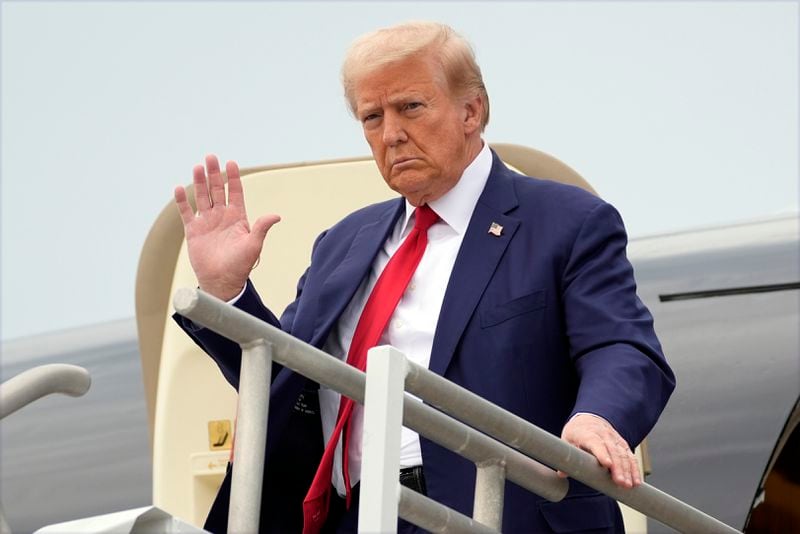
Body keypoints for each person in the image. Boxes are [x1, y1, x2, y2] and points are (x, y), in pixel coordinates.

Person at [174, 21, 675, 534]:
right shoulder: (344, 242)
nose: (391, 134)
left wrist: (598, 417)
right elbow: (286, 382)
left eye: (410, 107)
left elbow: (622, 347)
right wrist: (227, 292)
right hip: (356, 518)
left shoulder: (566, 222)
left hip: (496, 514)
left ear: (472, 111)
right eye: (372, 117)